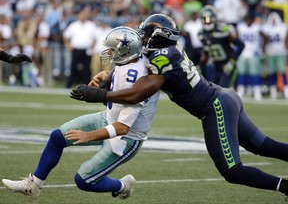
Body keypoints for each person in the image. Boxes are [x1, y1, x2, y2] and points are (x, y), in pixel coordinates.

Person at [70, 13, 288, 199]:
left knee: (232, 170)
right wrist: (106, 78)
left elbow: (137, 93)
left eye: (146, 34)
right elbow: (131, 61)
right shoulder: (164, 50)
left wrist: (100, 94)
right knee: (262, 145)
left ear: (158, 38)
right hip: (224, 97)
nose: (142, 37)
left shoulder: (162, 57)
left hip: (215, 106)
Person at [2, 26, 159, 199]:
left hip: (127, 138)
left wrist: (89, 135)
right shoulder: (133, 60)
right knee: (57, 137)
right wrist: (107, 76)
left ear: (126, 50)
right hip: (109, 117)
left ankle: (122, 186)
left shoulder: (137, 76)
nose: (109, 52)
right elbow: (122, 76)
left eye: (114, 49)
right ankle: (34, 185)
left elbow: (123, 128)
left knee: (84, 180)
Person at [198, 5, 245, 88]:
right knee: (212, 92)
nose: (207, 21)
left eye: (209, 18)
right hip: (217, 68)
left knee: (223, 92)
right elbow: (207, 52)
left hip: (228, 66)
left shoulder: (223, 31)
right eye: (205, 19)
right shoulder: (201, 35)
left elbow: (241, 45)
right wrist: (200, 66)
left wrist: (232, 62)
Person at [236, 13, 267, 100]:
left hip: (254, 53)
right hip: (243, 53)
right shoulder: (241, 26)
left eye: (250, 19)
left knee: (255, 73)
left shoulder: (257, 27)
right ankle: (241, 91)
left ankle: (257, 92)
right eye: (247, 19)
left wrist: (262, 47)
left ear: (253, 19)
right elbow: (236, 37)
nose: (248, 21)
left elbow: (265, 36)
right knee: (242, 73)